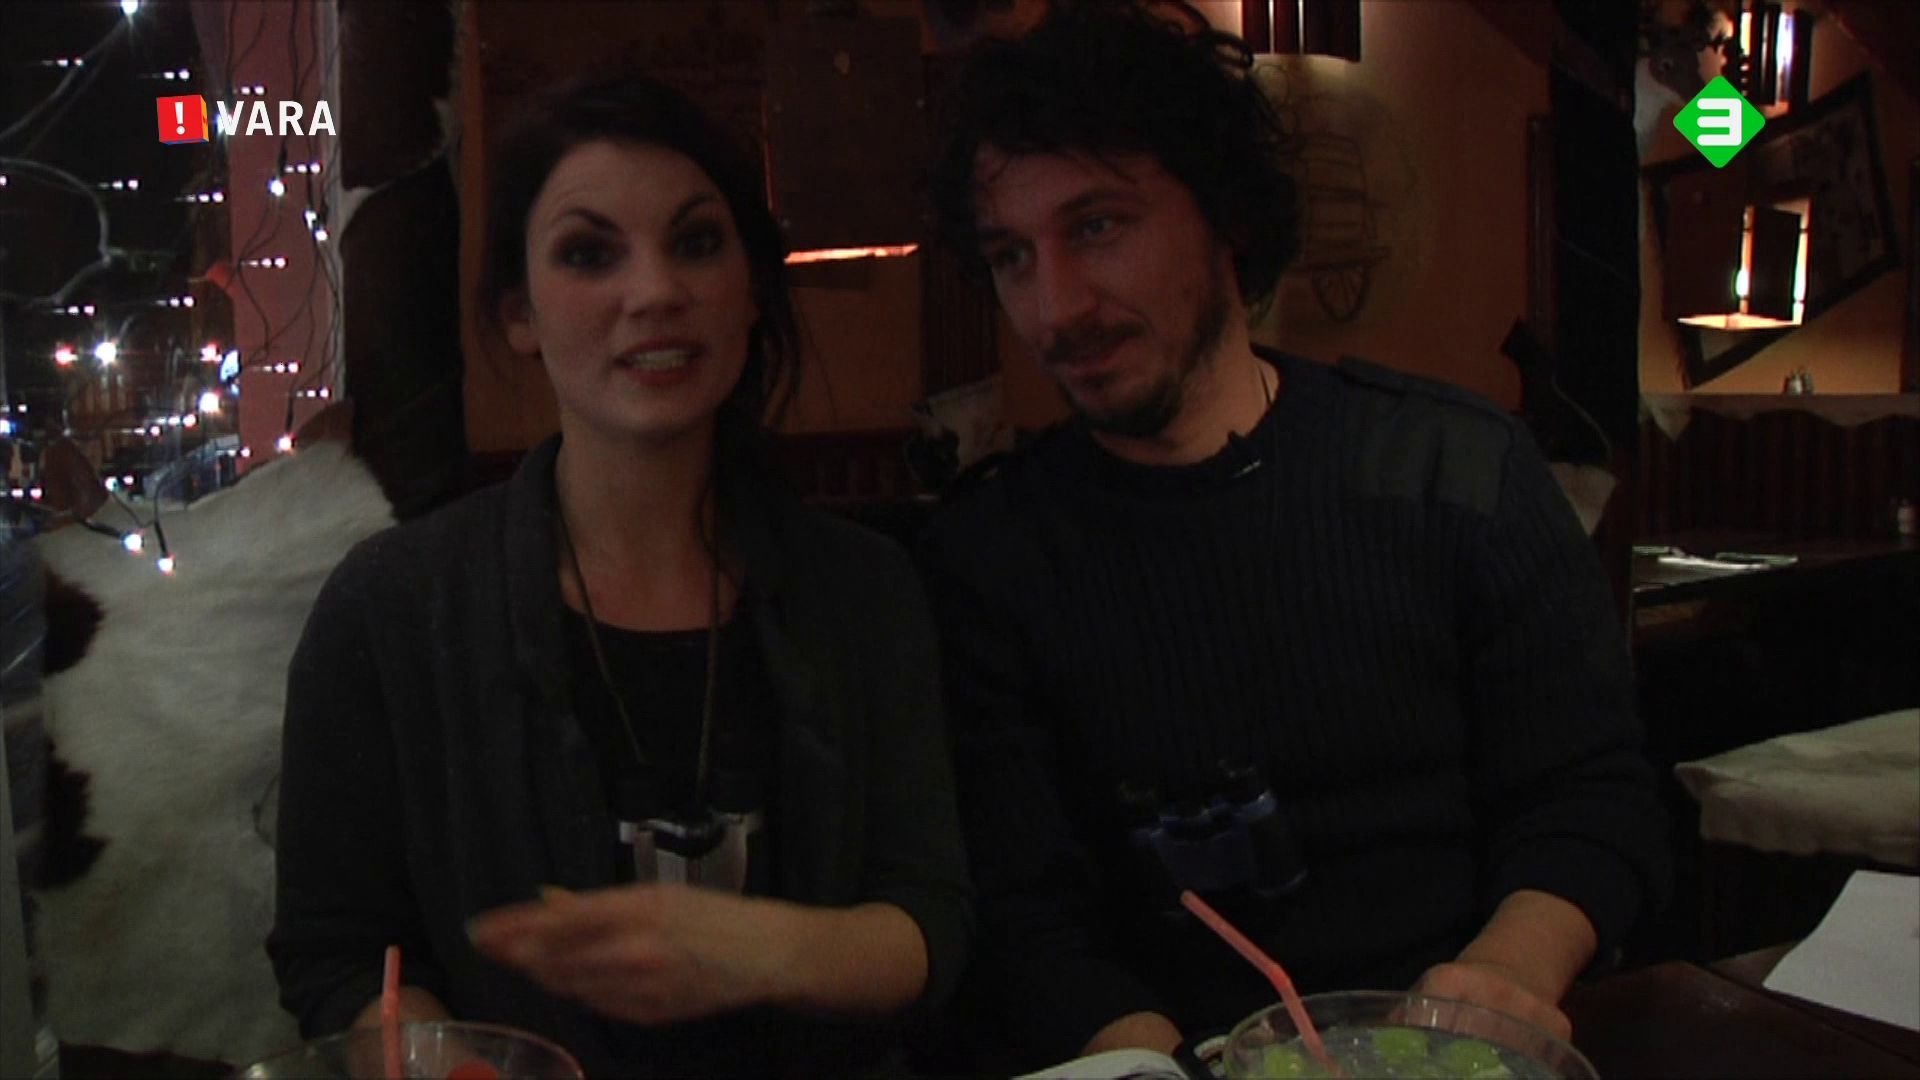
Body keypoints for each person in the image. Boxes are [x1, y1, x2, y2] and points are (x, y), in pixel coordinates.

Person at [919, 2, 1669, 1069]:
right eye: (1011, 256)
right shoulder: (991, 555)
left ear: (1225, 215)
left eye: (1097, 227)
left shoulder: (1457, 470)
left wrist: (1501, 980)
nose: (1055, 308)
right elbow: (1024, 910)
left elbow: (1591, 792)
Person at [267, 71, 970, 1078]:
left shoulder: (868, 590)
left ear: (751, 289)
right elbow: (338, 957)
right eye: (590, 254)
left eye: (697, 243)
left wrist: (754, 950)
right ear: (520, 312)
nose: (655, 293)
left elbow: (932, 920)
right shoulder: (390, 609)